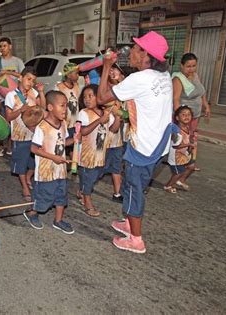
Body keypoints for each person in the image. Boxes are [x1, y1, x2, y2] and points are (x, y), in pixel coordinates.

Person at [96, 31, 175, 253]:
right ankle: (129, 223)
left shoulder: (139, 79)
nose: (131, 51)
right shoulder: (164, 76)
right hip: (159, 145)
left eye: (136, 48)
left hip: (144, 149)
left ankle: (136, 239)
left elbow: (101, 98)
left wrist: (105, 66)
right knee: (134, 186)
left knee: (133, 190)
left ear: (146, 55)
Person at [23, 90, 77, 234]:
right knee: (43, 197)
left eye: (66, 106)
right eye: (62, 106)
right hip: (46, 172)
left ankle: (58, 220)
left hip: (60, 171)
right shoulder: (42, 127)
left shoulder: (63, 124)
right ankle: (31, 213)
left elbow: (62, 142)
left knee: (61, 195)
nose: (65, 109)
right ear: (51, 107)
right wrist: (52, 157)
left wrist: (74, 140)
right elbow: (33, 148)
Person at [76, 84, 120, 217]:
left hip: (101, 154)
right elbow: (83, 131)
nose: (87, 99)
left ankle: (82, 191)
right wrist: (100, 121)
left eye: (91, 96)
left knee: (95, 176)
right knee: (89, 178)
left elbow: (114, 129)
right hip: (87, 155)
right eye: (85, 97)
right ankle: (88, 202)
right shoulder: (84, 113)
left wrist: (117, 117)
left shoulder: (106, 113)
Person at [5, 67, 46, 202]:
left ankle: (28, 178)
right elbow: (9, 117)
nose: (30, 83)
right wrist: (20, 110)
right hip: (19, 136)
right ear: (20, 78)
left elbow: (43, 109)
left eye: (33, 80)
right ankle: (25, 187)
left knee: (35, 163)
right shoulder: (11, 96)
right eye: (28, 79)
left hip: (34, 136)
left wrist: (41, 93)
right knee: (21, 164)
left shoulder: (34, 93)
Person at [172, 53, 210, 171]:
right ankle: (179, 163)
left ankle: (190, 161)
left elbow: (201, 92)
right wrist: (180, 118)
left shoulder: (195, 76)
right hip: (184, 117)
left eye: (194, 66)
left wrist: (206, 105)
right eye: (188, 66)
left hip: (195, 115)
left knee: (192, 137)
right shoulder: (178, 79)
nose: (191, 69)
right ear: (181, 66)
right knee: (182, 139)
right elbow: (176, 99)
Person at [0, 37, 25, 157]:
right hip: (1, 98)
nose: (2, 48)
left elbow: (23, 76)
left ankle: (9, 146)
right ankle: (0, 145)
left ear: (10, 46)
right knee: (1, 122)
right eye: (1, 46)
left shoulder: (17, 61)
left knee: (12, 122)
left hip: (15, 97)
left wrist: (8, 73)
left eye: (4, 45)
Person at [103, 65, 127, 203]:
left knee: (117, 166)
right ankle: (83, 191)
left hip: (118, 137)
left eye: (115, 69)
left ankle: (117, 193)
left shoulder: (127, 88)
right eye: (109, 70)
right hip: (104, 136)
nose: (112, 72)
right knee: (98, 168)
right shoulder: (105, 88)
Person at [164, 106, 196, 193]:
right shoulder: (177, 131)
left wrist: (191, 141)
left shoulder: (187, 127)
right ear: (177, 118)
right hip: (176, 157)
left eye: (189, 114)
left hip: (185, 154)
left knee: (191, 166)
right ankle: (168, 186)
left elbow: (189, 137)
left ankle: (180, 181)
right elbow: (175, 146)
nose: (187, 116)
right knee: (178, 172)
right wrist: (189, 144)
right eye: (183, 115)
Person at [55, 63, 80, 138]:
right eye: (76, 73)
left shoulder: (76, 86)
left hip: (75, 123)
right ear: (68, 75)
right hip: (65, 124)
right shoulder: (59, 88)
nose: (78, 75)